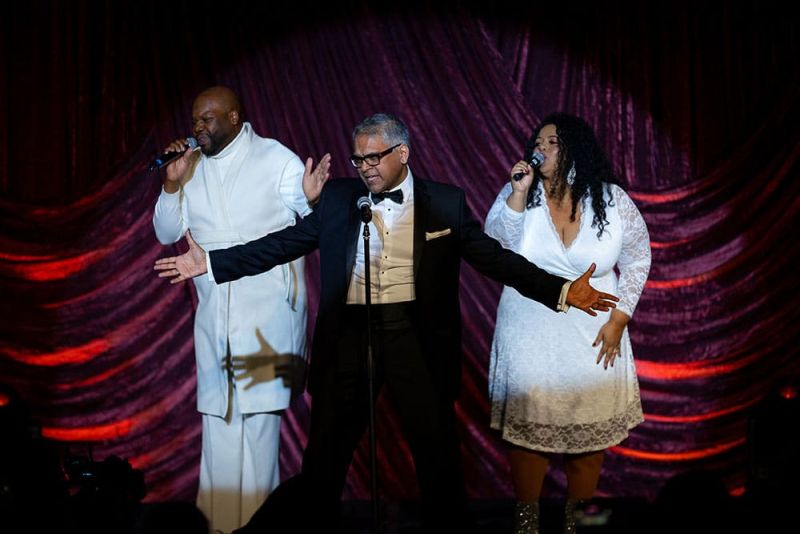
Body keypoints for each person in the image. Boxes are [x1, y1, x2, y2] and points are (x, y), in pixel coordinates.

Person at [154, 113, 618, 532]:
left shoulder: (443, 203)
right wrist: (212, 263)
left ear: (403, 154)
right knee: (323, 465)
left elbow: (495, 261)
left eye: (374, 158)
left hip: (414, 339)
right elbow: (281, 244)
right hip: (349, 338)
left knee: (437, 461)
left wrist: (560, 290)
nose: (366, 168)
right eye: (358, 160)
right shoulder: (338, 200)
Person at [151, 86, 331, 533]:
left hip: (268, 320)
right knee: (220, 441)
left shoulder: (275, 159)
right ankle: (216, 528)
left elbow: (311, 215)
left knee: (258, 439)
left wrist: (310, 199)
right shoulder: (191, 170)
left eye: (207, 120)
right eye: (194, 121)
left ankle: (258, 530)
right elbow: (165, 230)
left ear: (234, 119)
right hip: (215, 322)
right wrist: (172, 182)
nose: (198, 129)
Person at [484, 113, 651, 534]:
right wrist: (518, 194)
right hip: (529, 331)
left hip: (593, 335)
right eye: (538, 140)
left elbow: (638, 258)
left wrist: (620, 319)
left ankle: (580, 527)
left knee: (588, 445)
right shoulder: (518, 193)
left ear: (574, 148)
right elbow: (495, 247)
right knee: (528, 440)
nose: (542, 147)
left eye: (553, 140)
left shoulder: (611, 200)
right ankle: (527, 526)